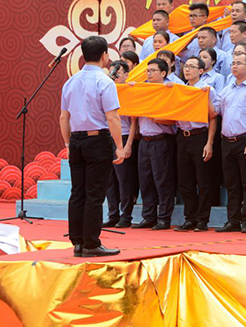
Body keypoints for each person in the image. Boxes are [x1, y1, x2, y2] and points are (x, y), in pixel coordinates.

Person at [60, 36, 124, 258]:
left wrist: (68, 143)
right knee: (94, 194)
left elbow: (63, 117)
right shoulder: (104, 82)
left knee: (77, 192)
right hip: (97, 140)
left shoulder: (70, 82)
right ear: (105, 56)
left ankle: (77, 242)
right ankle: (91, 243)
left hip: (76, 140)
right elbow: (113, 117)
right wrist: (120, 146)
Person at [217, 52, 246, 233]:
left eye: (238, 63)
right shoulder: (226, 90)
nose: (234, 66)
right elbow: (216, 112)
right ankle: (232, 220)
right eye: (233, 63)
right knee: (231, 184)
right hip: (226, 141)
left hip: (245, 140)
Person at [174, 56, 219, 232]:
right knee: (185, 180)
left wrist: (209, 143)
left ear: (201, 71)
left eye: (192, 67)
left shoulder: (207, 89)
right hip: (182, 136)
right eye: (186, 66)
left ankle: (202, 219)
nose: (187, 69)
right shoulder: (180, 89)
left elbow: (213, 116)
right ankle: (189, 218)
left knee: (203, 180)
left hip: (200, 136)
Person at [131, 58, 176, 230]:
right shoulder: (142, 90)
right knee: (145, 180)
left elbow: (174, 120)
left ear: (163, 73)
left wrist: (155, 117)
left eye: (153, 70)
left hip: (161, 140)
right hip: (144, 140)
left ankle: (164, 217)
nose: (149, 73)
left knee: (162, 180)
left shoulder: (169, 90)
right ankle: (148, 216)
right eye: (147, 71)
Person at [103, 61, 137, 229]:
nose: (114, 76)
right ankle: (113, 214)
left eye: (118, 73)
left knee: (124, 180)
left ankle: (126, 215)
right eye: (112, 73)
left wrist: (128, 144)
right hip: (106, 138)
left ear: (126, 75)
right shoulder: (105, 91)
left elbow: (134, 122)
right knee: (109, 180)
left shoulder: (130, 91)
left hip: (122, 138)